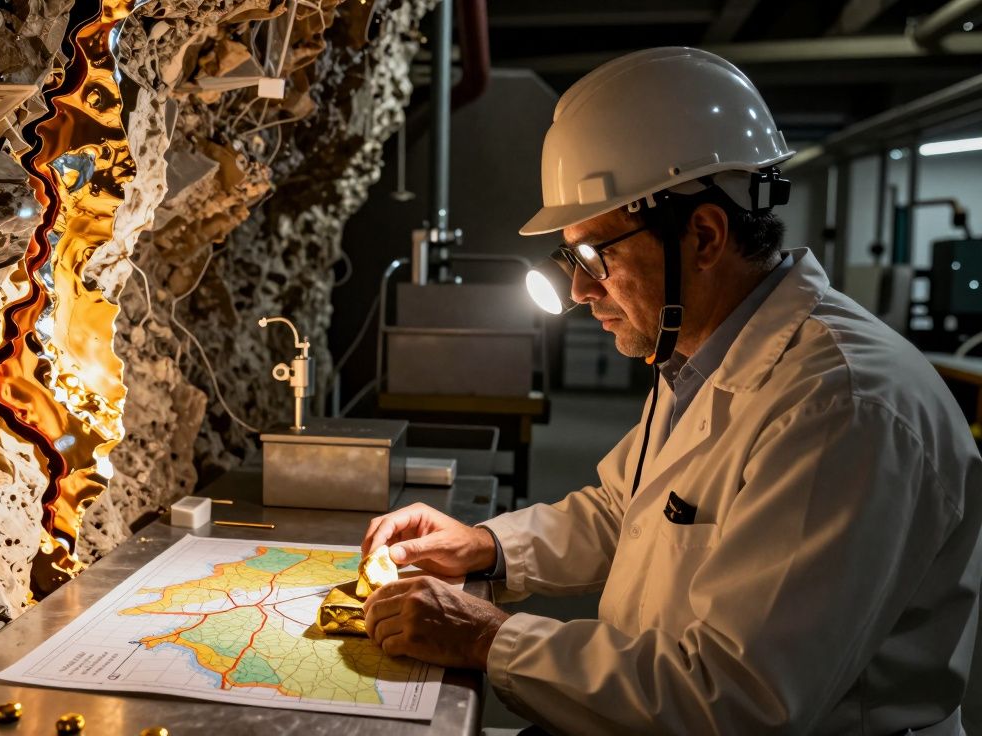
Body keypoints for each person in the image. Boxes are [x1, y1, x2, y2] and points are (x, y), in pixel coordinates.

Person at [360, 47, 982, 734]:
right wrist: (487, 545)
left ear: (706, 235)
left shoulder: (843, 406)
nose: (577, 290)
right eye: (571, 258)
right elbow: (627, 509)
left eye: (597, 255)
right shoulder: (703, 356)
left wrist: (488, 638)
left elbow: (737, 700)